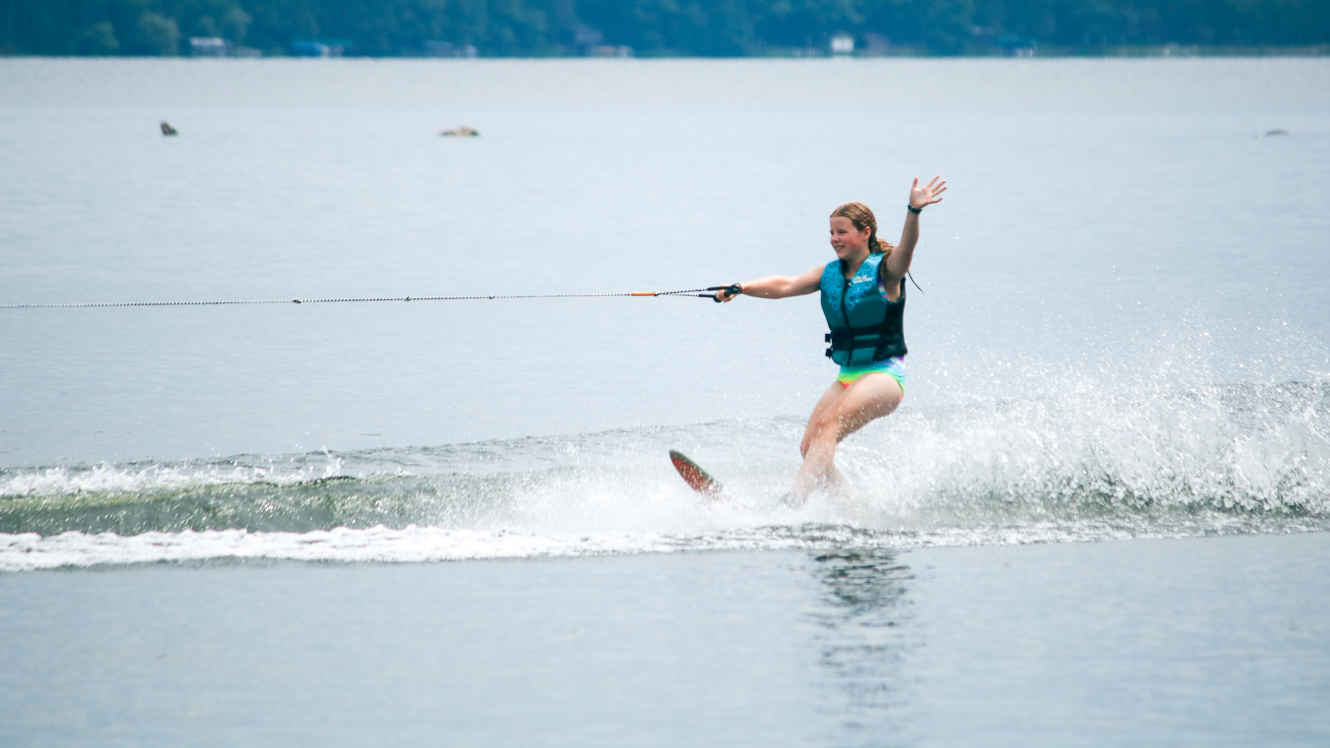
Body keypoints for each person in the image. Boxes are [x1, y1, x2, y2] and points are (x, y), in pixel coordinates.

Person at [716, 177, 947, 500]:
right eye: (831, 233)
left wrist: (913, 211)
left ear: (866, 233)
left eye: (842, 232)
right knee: (810, 446)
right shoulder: (829, 273)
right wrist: (742, 287)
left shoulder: (886, 271)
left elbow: (907, 249)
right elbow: (785, 284)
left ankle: (792, 503)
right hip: (849, 376)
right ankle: (848, 508)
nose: (834, 239)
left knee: (828, 427)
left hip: (884, 374)